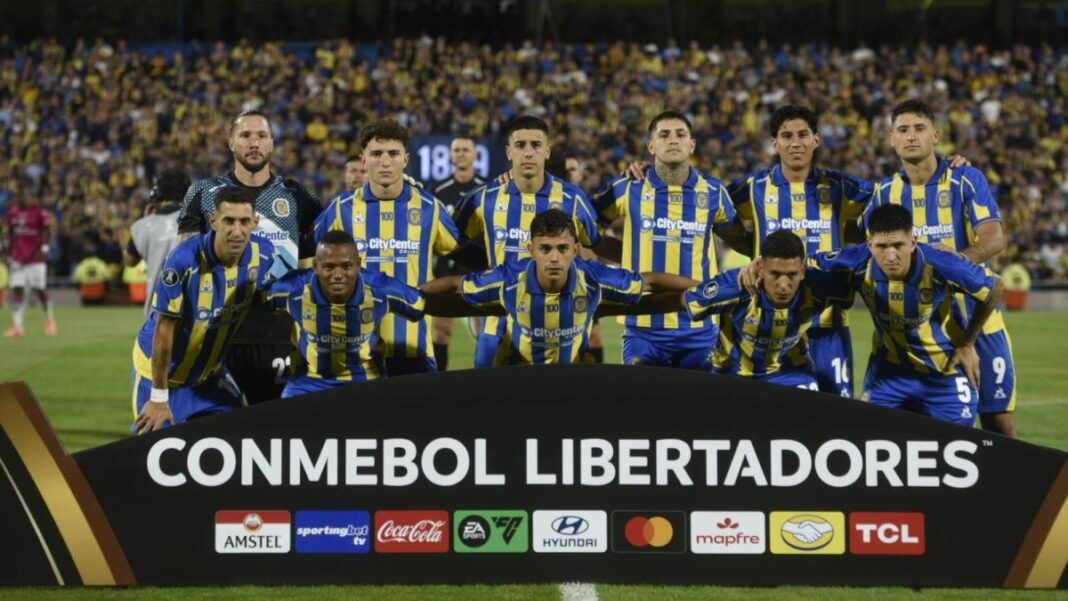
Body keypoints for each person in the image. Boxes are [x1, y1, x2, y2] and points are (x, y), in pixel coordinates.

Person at [863, 99, 1017, 437]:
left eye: (919, 128)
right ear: (891, 139)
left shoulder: (964, 178)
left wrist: (959, 260)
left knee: (998, 421)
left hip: (979, 318)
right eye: (903, 130)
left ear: (936, 134)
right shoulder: (884, 192)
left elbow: (994, 236)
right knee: (915, 428)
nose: (912, 136)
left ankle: (1015, 489)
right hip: (922, 331)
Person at [725, 106, 874, 397]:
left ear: (816, 140)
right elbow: (709, 208)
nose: (796, 142)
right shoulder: (752, 187)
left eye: (803, 134)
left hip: (828, 323)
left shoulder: (840, 186)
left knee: (837, 416)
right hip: (770, 328)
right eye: (786, 135)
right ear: (774, 143)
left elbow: (891, 198)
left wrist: (946, 166)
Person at [177, 109, 322, 404]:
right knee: (213, 430)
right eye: (245, 136)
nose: (253, 143)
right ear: (231, 143)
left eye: (261, 136)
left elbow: (324, 249)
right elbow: (185, 260)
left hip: (277, 335)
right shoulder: (203, 193)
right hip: (215, 336)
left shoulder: (296, 195)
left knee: (272, 429)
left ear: (271, 144)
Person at [811, 204, 1004, 426]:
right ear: (869, 245)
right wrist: (762, 263)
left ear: (913, 242)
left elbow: (994, 287)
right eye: (882, 246)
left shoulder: (942, 263)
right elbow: (804, 264)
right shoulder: (854, 262)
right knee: (869, 444)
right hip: (888, 377)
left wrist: (968, 343)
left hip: (944, 374)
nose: (891, 255)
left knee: (954, 450)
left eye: (898, 245)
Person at [427, 209, 695, 365]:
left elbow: (651, 281)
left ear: (576, 250)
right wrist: (412, 296)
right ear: (531, 250)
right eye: (545, 248)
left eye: (562, 249)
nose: (554, 257)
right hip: (520, 374)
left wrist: (703, 288)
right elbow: (455, 284)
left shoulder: (592, 277)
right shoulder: (510, 277)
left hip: (570, 381)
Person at [452, 115, 613, 368]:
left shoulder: (573, 200)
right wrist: (489, 271)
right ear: (509, 152)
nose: (528, 152)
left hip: (558, 325)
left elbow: (596, 244)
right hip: (498, 324)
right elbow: (451, 242)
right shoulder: (484, 199)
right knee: (490, 400)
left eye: (536, 145)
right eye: (520, 145)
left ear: (547, 151)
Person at [595, 109, 748, 370]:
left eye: (680, 134)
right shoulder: (627, 188)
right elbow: (588, 231)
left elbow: (741, 239)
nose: (673, 140)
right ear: (651, 146)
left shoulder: (713, 193)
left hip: (700, 326)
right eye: (664, 135)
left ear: (692, 145)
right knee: (643, 405)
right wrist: (627, 254)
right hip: (644, 328)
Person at [267, 231, 502, 396]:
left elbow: (428, 303)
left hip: (366, 382)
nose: (337, 274)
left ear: (358, 264)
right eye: (328, 267)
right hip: (308, 384)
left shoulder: (379, 288)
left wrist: (494, 308)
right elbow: (256, 304)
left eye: (346, 266)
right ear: (315, 266)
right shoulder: (292, 289)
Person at [314, 118, 461, 377]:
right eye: (376, 153)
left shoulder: (430, 208)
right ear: (363, 159)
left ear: (405, 159)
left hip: (414, 346)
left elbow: (460, 252)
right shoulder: (341, 208)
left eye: (393, 153)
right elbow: (307, 258)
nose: (385, 161)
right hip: (354, 348)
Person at [132, 187, 276, 433]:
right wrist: (158, 397)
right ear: (213, 221)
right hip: (162, 379)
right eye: (228, 221)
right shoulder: (183, 262)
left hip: (209, 377)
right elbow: (164, 329)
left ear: (255, 222)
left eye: (244, 222)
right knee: (154, 458)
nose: (237, 231)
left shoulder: (263, 255)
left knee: (240, 440)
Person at [686, 231, 854, 389]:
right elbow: (684, 299)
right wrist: (658, 282)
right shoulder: (736, 286)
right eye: (775, 274)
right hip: (731, 373)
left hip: (791, 373)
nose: (783, 285)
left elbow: (857, 273)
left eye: (791, 275)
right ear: (760, 268)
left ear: (802, 271)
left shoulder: (817, 286)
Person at [430, 137, 487, 370]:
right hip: (446, 268)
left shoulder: (487, 190)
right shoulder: (439, 192)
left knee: (483, 332)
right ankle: (437, 384)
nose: (462, 154)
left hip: (477, 268)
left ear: (475, 155)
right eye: (457, 150)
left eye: (466, 150)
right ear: (451, 156)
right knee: (442, 331)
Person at [126, 168, 192, 316]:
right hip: (195, 311)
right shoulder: (200, 219)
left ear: (157, 193)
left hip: (156, 311)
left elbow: (129, 260)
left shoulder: (142, 226)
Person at [3, 192, 56, 337]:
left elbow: (47, 230)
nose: (22, 198)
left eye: (25, 195)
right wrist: (7, 250)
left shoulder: (39, 212)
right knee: (17, 289)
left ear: (31, 197)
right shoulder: (13, 212)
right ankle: (18, 326)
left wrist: (44, 248)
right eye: (20, 196)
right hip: (18, 258)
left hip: (35, 258)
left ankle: (50, 320)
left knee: (39, 290)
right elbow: (10, 233)